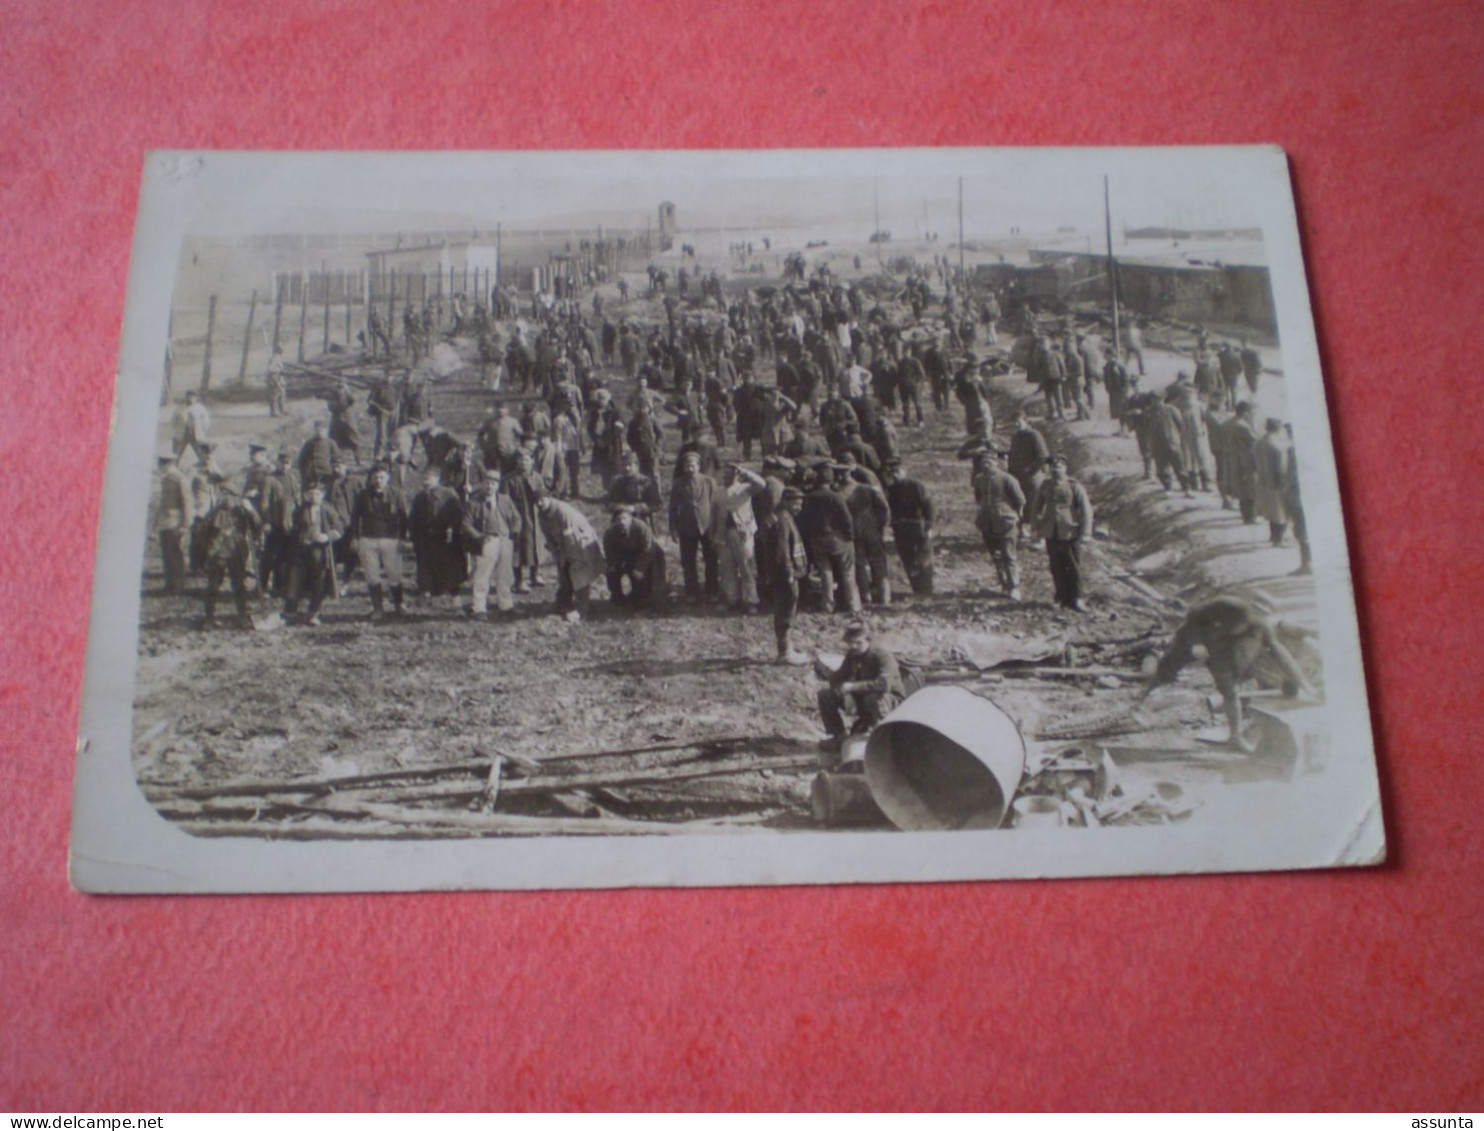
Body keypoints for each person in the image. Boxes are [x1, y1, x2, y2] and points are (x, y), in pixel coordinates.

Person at [1142, 596, 1319, 752]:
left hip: (1221, 651)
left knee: (1230, 690)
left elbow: (1282, 656)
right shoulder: (1228, 605)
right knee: (1167, 669)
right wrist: (1196, 642)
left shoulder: (1261, 628)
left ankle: (1235, 736)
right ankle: (1141, 700)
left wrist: (1304, 685)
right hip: (1195, 638)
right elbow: (1193, 616)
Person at [813, 622, 906, 750]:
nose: (854, 646)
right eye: (851, 643)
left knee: (873, 697)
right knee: (825, 695)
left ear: (868, 640)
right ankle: (839, 737)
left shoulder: (882, 656)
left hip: (889, 702)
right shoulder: (853, 655)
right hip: (864, 699)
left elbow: (884, 685)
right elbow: (836, 678)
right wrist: (847, 694)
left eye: (858, 642)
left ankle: (882, 740)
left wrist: (852, 687)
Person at [1028, 454, 1093, 612]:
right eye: (1053, 466)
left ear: (1065, 468)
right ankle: (1061, 597)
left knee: (1073, 566)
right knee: (1056, 565)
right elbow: (1036, 507)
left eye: (1059, 466)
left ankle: (1077, 598)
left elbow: (1086, 510)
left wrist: (1085, 533)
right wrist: (1035, 527)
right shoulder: (1045, 486)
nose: (1056, 469)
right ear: (1049, 469)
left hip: (1069, 531)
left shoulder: (1074, 486)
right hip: (1051, 531)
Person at [350, 463, 409, 620]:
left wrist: (402, 538)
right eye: (375, 477)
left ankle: (399, 604)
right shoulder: (363, 495)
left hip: (390, 539)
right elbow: (355, 518)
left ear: (388, 478)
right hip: (368, 539)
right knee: (372, 575)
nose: (378, 480)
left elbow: (403, 518)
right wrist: (355, 538)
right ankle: (378, 608)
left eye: (382, 477)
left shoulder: (396, 494)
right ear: (371, 478)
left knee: (394, 574)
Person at [536, 495, 606, 623]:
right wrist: (557, 556)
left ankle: (582, 611)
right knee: (564, 574)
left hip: (580, 543)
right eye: (537, 501)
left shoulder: (563, 511)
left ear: (549, 498)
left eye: (542, 499)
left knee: (580, 574)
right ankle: (563, 604)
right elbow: (548, 537)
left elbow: (571, 538)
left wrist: (573, 558)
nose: (539, 503)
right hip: (564, 545)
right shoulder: (542, 513)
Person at [799, 467, 859, 615]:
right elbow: (847, 519)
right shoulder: (836, 497)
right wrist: (850, 536)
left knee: (825, 573)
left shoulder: (809, 497)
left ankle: (827, 606)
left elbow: (803, 520)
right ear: (831, 481)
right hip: (838, 538)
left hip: (817, 538)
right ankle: (854, 605)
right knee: (847, 572)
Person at [283, 482, 345, 627]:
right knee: (295, 580)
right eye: (310, 494)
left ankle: (313, 613)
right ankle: (290, 611)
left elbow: (339, 530)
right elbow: (292, 528)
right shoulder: (299, 510)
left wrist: (327, 536)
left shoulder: (328, 510)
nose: (313, 497)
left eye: (317, 494)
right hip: (300, 551)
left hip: (319, 552)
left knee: (319, 582)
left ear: (322, 495)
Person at [462, 471, 521, 618]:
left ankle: (505, 604)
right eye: (487, 483)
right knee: (482, 574)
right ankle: (479, 607)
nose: (490, 486)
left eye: (493, 483)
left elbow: (516, 517)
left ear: (498, 485)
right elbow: (466, 524)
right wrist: (480, 537)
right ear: (482, 484)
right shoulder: (474, 502)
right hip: (488, 540)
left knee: (505, 574)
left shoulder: (505, 500)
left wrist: (514, 532)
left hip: (505, 540)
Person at [198, 489, 260, 629]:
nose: (228, 499)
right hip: (218, 554)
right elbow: (202, 533)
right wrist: (208, 550)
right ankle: (209, 618)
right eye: (224, 496)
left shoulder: (242, 512)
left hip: (237, 554)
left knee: (239, 585)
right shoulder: (214, 513)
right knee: (213, 586)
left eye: (231, 496)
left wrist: (251, 510)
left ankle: (243, 616)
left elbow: (258, 524)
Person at [408, 467, 467, 610]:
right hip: (426, 538)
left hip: (445, 538)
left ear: (437, 479)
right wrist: (413, 536)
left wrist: (452, 529)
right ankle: (427, 594)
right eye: (423, 479)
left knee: (449, 566)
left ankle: (454, 596)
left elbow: (458, 515)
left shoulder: (448, 494)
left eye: (428, 478)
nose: (425, 482)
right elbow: (413, 519)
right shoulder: (419, 497)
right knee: (426, 565)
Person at [973, 449, 1027, 600]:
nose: (986, 464)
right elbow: (979, 498)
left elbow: (1020, 500)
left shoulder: (1007, 479)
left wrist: (1015, 516)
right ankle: (1004, 584)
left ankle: (1014, 586)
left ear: (996, 462)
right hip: (987, 521)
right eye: (984, 462)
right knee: (996, 555)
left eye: (989, 461)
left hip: (1006, 521)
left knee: (1008, 554)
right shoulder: (980, 479)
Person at [711, 464, 766, 611]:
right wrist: (713, 534)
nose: (727, 478)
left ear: (737, 475)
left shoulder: (745, 488)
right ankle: (731, 599)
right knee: (726, 568)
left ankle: (750, 601)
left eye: (731, 475)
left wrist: (745, 472)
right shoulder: (718, 492)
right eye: (725, 475)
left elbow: (761, 484)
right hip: (724, 533)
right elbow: (713, 515)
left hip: (743, 533)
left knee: (747, 566)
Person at [767, 486, 810, 664]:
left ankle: (787, 648)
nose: (798, 507)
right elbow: (782, 551)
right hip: (785, 575)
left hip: (784, 573)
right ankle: (785, 653)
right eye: (795, 504)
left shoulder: (782, 517)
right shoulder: (783, 521)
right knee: (785, 611)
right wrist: (789, 573)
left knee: (786, 611)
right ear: (785, 502)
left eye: (800, 504)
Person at [669, 450, 718, 602]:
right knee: (688, 561)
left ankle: (712, 591)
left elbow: (716, 504)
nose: (690, 468)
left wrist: (717, 526)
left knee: (711, 559)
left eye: (692, 465)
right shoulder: (678, 484)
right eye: (686, 465)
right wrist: (673, 528)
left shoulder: (709, 481)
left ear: (698, 466)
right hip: (687, 527)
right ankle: (691, 592)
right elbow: (672, 508)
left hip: (707, 526)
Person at [881, 459, 936, 596]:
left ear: (904, 471)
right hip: (901, 530)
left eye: (897, 471)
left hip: (918, 527)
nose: (894, 475)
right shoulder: (891, 489)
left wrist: (929, 527)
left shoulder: (916, 485)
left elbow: (929, 507)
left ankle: (927, 590)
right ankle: (917, 589)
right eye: (891, 473)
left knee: (923, 560)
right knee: (908, 560)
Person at [840, 464, 891, 607]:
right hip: (872, 531)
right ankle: (884, 596)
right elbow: (884, 509)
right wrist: (881, 525)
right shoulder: (868, 489)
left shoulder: (840, 493)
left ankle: (866, 595)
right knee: (878, 563)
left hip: (855, 533)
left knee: (860, 565)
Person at [603, 504, 667, 609]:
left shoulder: (641, 527)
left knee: (646, 578)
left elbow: (647, 549)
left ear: (631, 519)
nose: (622, 522)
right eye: (618, 519)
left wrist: (639, 568)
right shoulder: (610, 533)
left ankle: (649, 598)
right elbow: (610, 553)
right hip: (627, 555)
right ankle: (617, 597)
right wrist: (613, 565)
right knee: (611, 572)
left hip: (649, 554)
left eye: (624, 518)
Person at [503, 450, 545, 593]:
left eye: (527, 460)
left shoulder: (537, 478)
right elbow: (505, 501)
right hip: (519, 517)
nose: (524, 463)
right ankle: (519, 580)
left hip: (535, 517)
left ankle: (535, 575)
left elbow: (543, 495)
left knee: (536, 546)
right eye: (521, 460)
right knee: (518, 549)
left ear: (532, 461)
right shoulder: (510, 479)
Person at [154, 453, 194, 596]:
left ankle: (178, 585)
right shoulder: (166, 479)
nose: (160, 468)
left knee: (175, 554)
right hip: (166, 521)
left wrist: (185, 525)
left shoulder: (180, 479)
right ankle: (169, 583)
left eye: (162, 465)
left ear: (168, 464)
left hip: (175, 522)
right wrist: (156, 524)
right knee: (166, 554)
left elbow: (187, 503)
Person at [1254, 417, 1292, 546]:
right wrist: (1283, 481)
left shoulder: (1259, 442)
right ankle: (1278, 540)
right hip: (1277, 482)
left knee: (1272, 511)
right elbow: (1281, 467)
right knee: (1282, 512)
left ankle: (1273, 536)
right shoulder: (1277, 445)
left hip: (1263, 480)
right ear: (1279, 429)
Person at [1007, 413, 1050, 510]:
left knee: (1035, 504)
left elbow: (1042, 456)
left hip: (1032, 477)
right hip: (1019, 476)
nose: (1016, 424)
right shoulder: (1016, 437)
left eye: (1019, 421)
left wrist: (1030, 470)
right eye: (1014, 422)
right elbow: (1013, 455)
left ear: (1026, 421)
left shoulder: (1034, 435)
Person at [297, 420, 339, 490]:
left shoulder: (331, 443)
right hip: (312, 475)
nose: (319, 432)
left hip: (326, 474)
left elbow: (337, 458)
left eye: (322, 430)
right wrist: (305, 473)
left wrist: (333, 470)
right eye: (317, 430)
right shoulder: (309, 443)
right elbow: (301, 460)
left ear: (326, 430)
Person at [266, 347, 288, 418]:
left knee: (282, 394)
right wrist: (275, 379)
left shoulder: (278, 358)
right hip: (275, 377)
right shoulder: (275, 358)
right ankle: (274, 412)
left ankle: (282, 410)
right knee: (275, 395)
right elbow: (271, 369)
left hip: (279, 377)